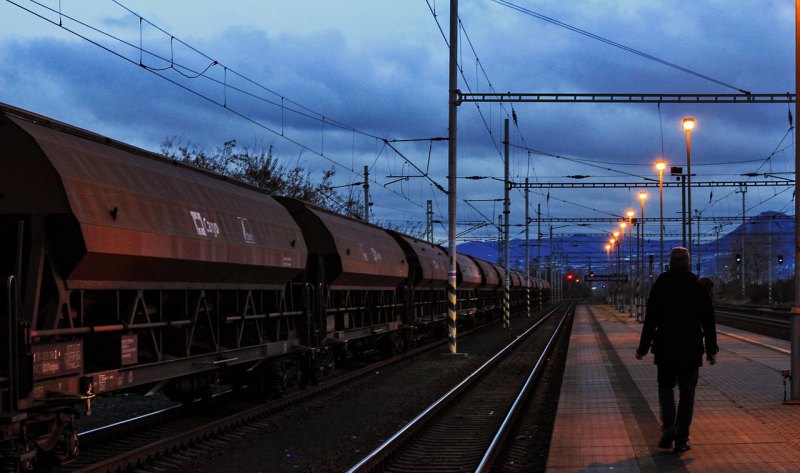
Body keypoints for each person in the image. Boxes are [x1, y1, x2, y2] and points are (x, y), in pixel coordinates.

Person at [635, 247, 718, 454]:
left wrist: (642, 348)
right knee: (687, 393)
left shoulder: (661, 285)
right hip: (690, 349)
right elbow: (709, 321)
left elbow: (651, 319)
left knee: (665, 388)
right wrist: (710, 350)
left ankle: (669, 425)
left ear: (670, 263)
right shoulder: (698, 286)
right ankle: (682, 439)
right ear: (688, 263)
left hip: (665, 347)